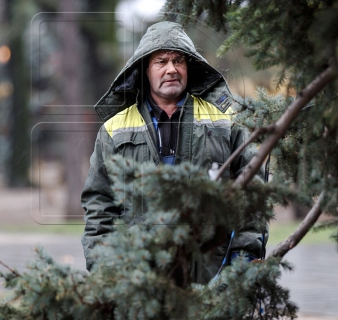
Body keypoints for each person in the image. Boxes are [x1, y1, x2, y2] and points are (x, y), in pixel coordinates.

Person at [81, 21, 267, 284]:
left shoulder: (227, 120)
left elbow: (253, 193)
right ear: (145, 69)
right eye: (161, 61)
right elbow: (99, 205)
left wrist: (243, 262)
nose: (171, 69)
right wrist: (106, 269)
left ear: (189, 67)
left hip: (212, 275)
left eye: (179, 60)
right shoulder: (114, 129)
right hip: (139, 281)